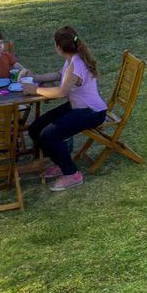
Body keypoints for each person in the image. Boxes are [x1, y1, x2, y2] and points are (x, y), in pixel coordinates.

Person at [22, 26, 109, 193]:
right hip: (77, 107)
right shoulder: (73, 58)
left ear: (59, 47)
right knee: (35, 128)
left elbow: (61, 92)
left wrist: (35, 90)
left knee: (49, 135)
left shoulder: (76, 65)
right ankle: (60, 163)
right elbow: (58, 75)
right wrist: (36, 78)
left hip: (92, 112)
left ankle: (72, 174)